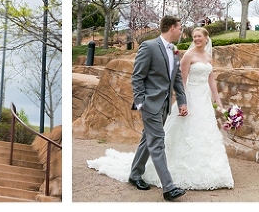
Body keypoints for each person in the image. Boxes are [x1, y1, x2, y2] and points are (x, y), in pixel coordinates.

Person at [86, 26, 234, 192]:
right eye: (195, 36)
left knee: (204, 135)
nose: (197, 39)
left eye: (200, 36)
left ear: (206, 38)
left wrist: (219, 104)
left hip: (204, 101)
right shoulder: (188, 55)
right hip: (189, 99)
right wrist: (183, 102)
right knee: (167, 136)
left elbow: (211, 80)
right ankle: (163, 180)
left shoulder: (208, 56)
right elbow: (181, 81)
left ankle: (206, 172)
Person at [88, 16, 188, 201]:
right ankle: (169, 187)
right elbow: (137, 76)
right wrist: (141, 103)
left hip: (165, 105)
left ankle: (135, 174)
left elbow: (177, 78)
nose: (181, 31)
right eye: (180, 28)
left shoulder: (174, 50)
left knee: (148, 140)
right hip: (150, 104)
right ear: (172, 28)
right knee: (157, 141)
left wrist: (182, 101)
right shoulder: (149, 47)